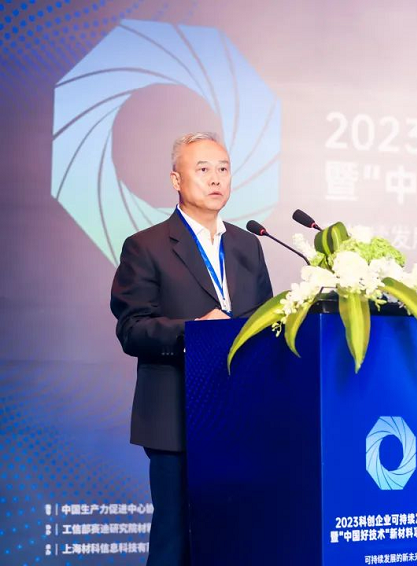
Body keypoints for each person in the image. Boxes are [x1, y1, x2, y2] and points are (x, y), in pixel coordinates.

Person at [110, 132, 273, 565]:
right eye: (202, 169)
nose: (216, 178)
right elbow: (132, 329)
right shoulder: (146, 246)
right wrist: (194, 332)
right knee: (176, 539)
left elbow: (265, 321)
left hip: (240, 415)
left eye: (223, 169)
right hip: (176, 415)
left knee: (237, 538)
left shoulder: (248, 245)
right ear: (176, 180)